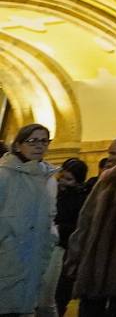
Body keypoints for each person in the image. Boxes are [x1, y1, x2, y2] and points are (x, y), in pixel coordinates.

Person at [0, 124, 58, 317]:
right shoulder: (4, 174)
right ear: (17, 146)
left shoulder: (49, 178)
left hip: (34, 258)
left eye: (44, 141)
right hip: (7, 255)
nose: (39, 145)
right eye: (32, 141)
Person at [67, 149, 116, 317]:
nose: (110, 157)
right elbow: (85, 221)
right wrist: (75, 259)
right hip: (99, 267)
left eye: (114, 153)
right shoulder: (107, 180)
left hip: (115, 268)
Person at [51, 157, 89, 315]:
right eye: (62, 177)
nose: (63, 182)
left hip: (66, 252)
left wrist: (58, 228)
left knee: (58, 297)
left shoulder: (82, 199)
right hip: (50, 248)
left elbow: (80, 227)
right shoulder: (54, 193)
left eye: (69, 179)